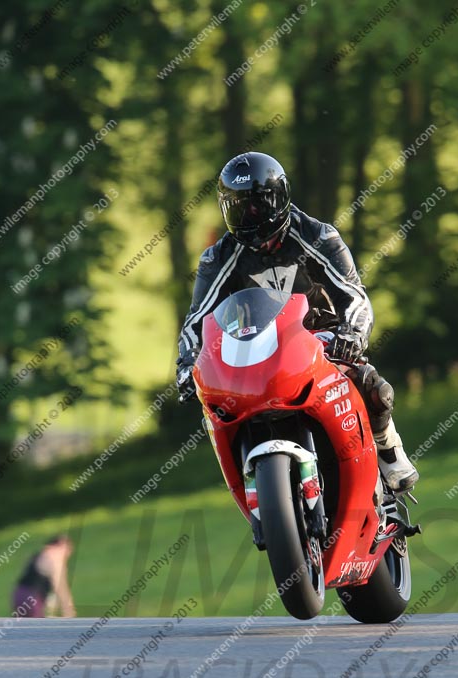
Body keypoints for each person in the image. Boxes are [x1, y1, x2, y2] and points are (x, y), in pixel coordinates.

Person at [176, 152, 418, 492]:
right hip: (253, 353)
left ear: (280, 198)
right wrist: (187, 364)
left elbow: (355, 296)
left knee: (370, 384)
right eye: (239, 207)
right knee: (216, 410)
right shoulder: (218, 258)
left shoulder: (319, 236)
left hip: (321, 342)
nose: (250, 216)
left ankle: (387, 448)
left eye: (258, 204)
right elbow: (196, 321)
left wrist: (351, 334)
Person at [12, 534, 76, 618]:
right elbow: (60, 587)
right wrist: (68, 611)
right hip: (33, 598)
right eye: (68, 549)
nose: (68, 553)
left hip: (19, 594)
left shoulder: (39, 554)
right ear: (62, 544)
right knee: (37, 626)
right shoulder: (56, 556)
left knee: (22, 625)